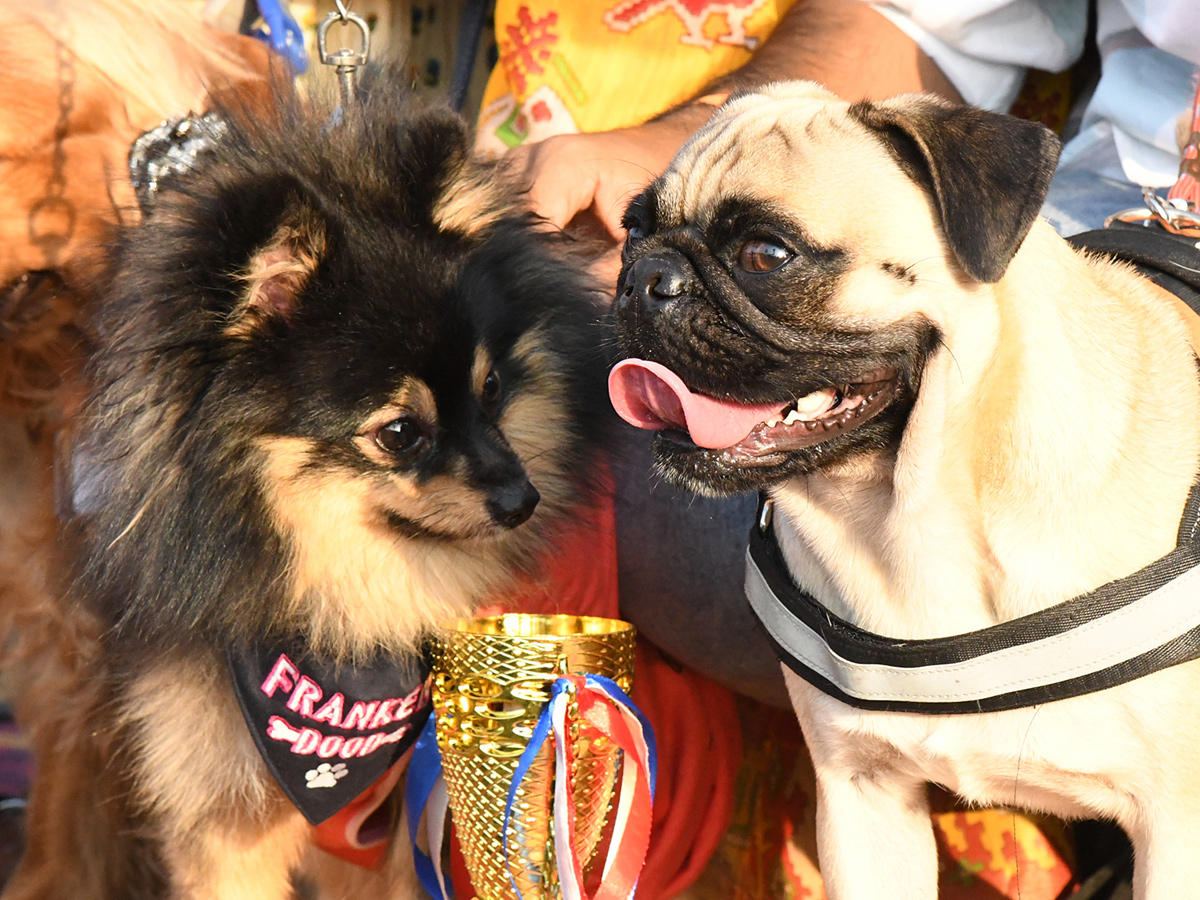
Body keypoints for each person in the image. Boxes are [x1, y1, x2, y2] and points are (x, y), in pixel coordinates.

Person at [475, 0, 1200, 708]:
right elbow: (927, 20)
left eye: (765, 254)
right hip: (1113, 210)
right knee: (638, 481)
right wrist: (680, 145)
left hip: (1068, 272)